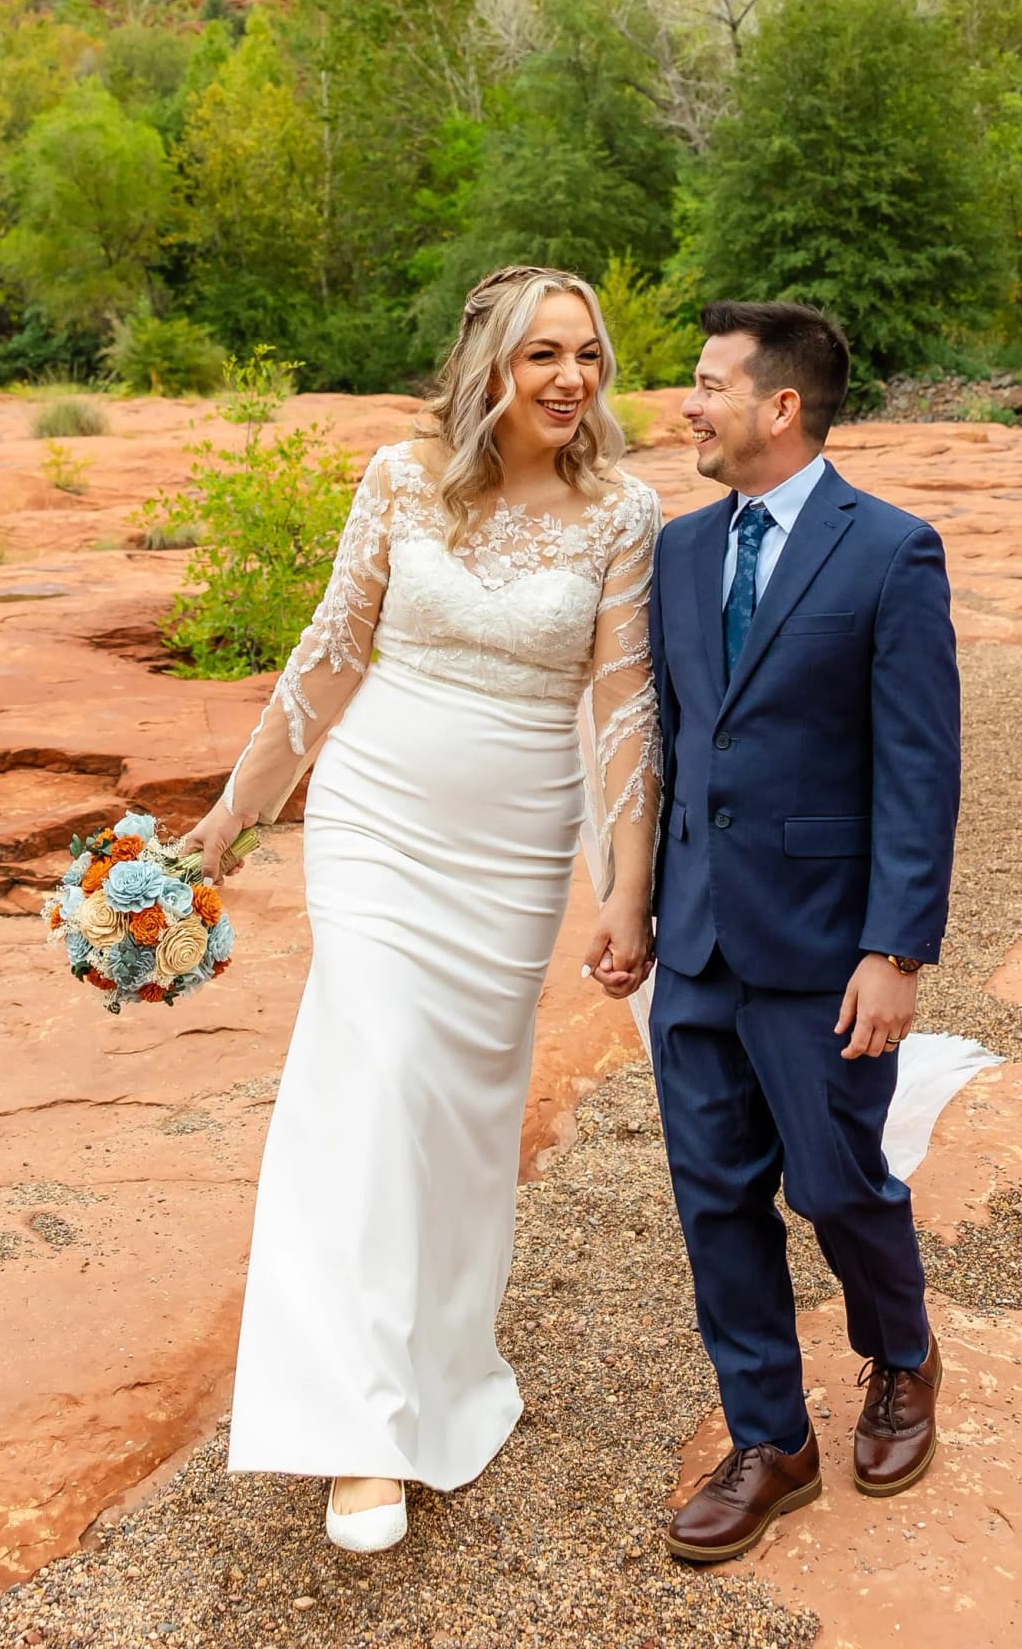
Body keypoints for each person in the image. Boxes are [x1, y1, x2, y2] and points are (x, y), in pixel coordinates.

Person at [176, 266, 660, 1556]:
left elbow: (623, 710)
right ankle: (353, 1426)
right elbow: (331, 653)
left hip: (512, 848)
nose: (571, 379)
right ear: (489, 365)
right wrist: (234, 817)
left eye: (590, 356)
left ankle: (442, 1366)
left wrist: (627, 886)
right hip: (377, 819)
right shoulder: (398, 481)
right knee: (376, 1077)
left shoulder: (626, 511)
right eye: (544, 354)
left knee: (457, 1117)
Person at [648, 300, 961, 1563]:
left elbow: (919, 765)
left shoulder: (891, 550)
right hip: (697, 943)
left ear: (781, 406)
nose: (689, 404)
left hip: (829, 948)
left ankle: (901, 1351)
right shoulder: (676, 550)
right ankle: (770, 1439)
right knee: (715, 1198)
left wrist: (898, 948)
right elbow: (673, 747)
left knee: (836, 1185)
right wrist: (638, 908)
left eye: (711, 384)